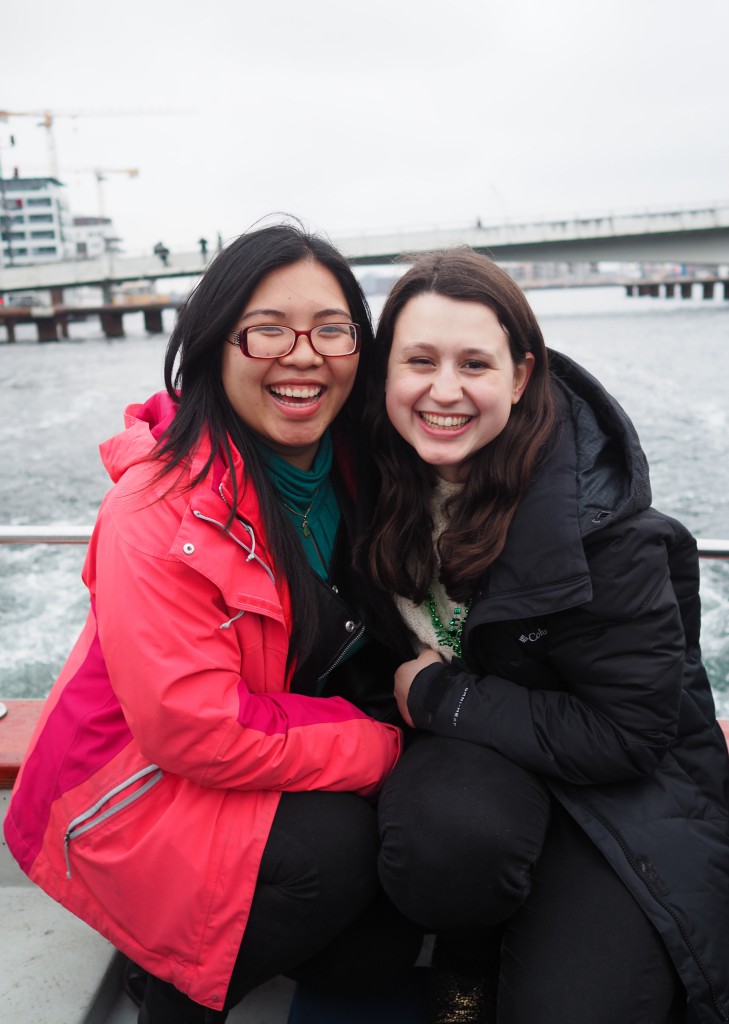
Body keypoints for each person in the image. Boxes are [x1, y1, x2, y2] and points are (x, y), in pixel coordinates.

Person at [3, 223, 423, 1023]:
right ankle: (171, 990)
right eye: (267, 329)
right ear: (213, 344)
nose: (303, 356)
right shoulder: (156, 508)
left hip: (254, 744)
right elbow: (194, 726)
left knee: (373, 951)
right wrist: (382, 748)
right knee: (336, 856)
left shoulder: (357, 464)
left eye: (330, 330)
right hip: (120, 791)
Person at [359, 248, 729, 1024]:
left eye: (474, 363)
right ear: (385, 375)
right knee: (445, 845)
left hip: (611, 788)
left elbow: (631, 731)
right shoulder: (375, 478)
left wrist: (441, 695)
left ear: (520, 376)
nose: (444, 389)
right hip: (480, 769)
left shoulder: (601, 528)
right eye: (419, 360)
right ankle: (467, 945)